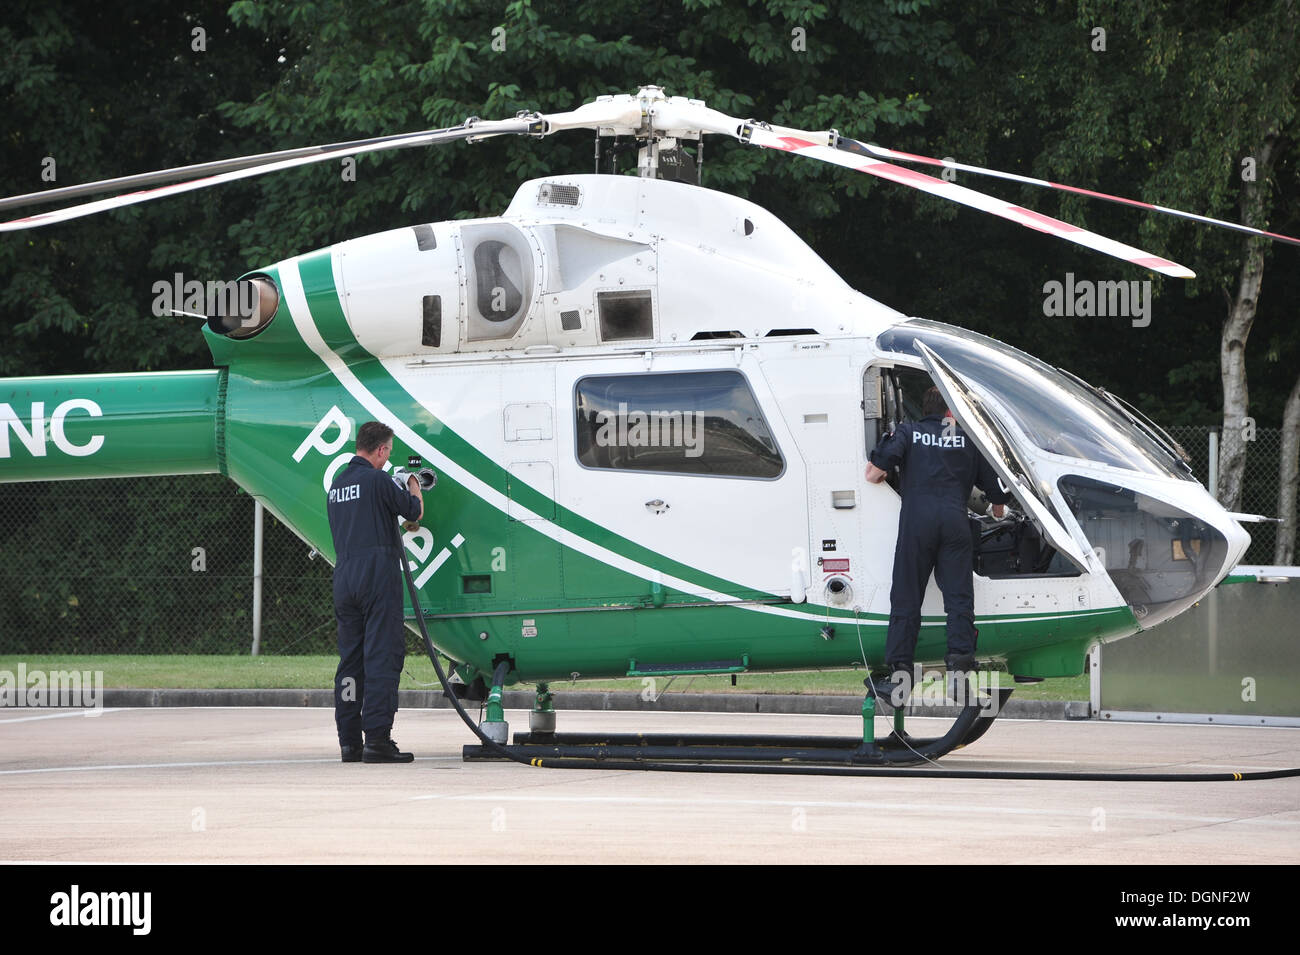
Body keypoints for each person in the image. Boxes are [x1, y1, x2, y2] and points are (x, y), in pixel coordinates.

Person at [864, 386, 1010, 706]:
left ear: (925, 408)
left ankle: (899, 680)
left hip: (917, 524)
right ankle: (959, 677)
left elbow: (873, 474)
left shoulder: (909, 432)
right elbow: (998, 500)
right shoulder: (967, 439)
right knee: (959, 600)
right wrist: (998, 511)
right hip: (955, 524)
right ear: (951, 411)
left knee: (907, 599)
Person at [327, 421, 423, 763]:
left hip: (345, 575)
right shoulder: (378, 479)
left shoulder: (336, 487)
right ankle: (378, 739)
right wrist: (412, 482)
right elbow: (413, 512)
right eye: (388, 452)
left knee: (351, 662)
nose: (387, 459)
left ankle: (349, 741)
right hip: (376, 572)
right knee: (382, 655)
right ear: (380, 449)